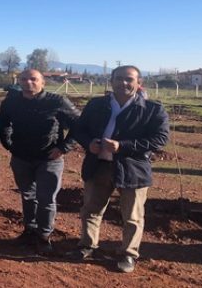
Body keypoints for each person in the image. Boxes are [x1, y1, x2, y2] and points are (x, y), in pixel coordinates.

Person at [70, 65, 169, 273]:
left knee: (132, 216)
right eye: (119, 78)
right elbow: (79, 129)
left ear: (138, 82)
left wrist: (123, 146)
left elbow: (160, 139)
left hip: (132, 168)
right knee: (91, 209)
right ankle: (87, 246)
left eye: (129, 79)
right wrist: (89, 144)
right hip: (98, 166)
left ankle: (128, 254)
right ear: (111, 81)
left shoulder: (152, 109)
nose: (123, 83)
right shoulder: (96, 105)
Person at [0, 69, 79, 254]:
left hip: (49, 159)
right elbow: (3, 123)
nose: (28, 83)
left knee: (46, 199)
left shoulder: (57, 102)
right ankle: (30, 231)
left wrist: (63, 148)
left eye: (33, 79)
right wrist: (9, 144)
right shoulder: (11, 101)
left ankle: (44, 236)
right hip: (21, 157)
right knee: (27, 195)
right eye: (24, 79)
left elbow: (79, 125)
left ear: (43, 82)